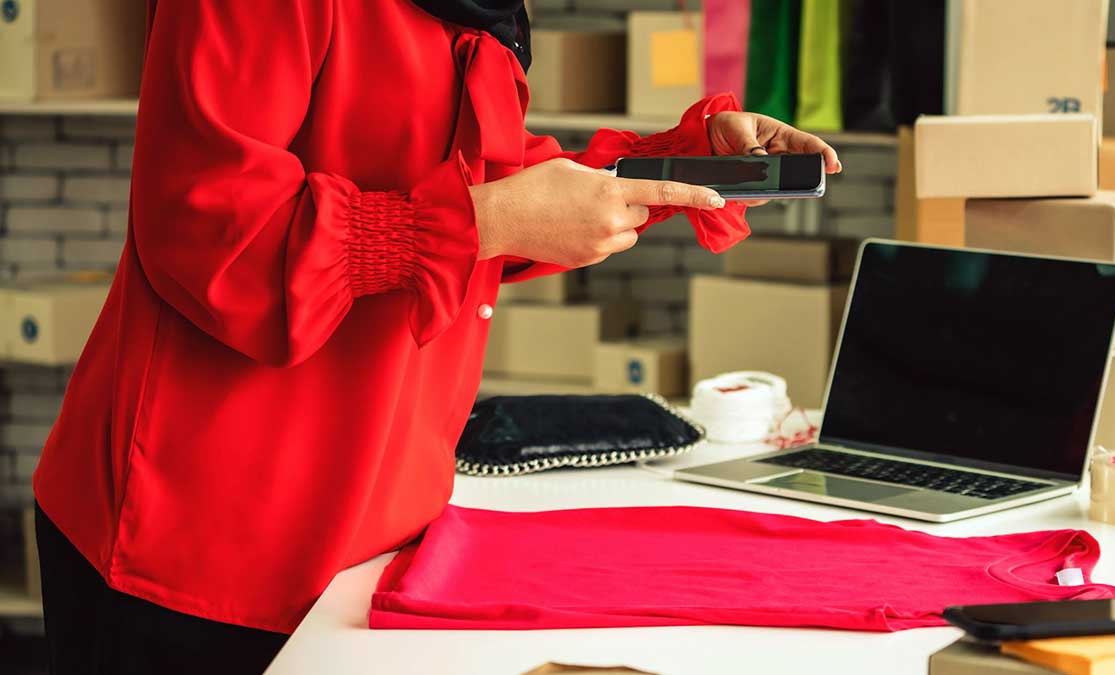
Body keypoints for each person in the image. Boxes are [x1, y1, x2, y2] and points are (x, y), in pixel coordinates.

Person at [30, 1, 841, 673]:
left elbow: (474, 191)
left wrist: (678, 166)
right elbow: (214, 234)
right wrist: (477, 222)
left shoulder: (472, 7)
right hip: (197, 546)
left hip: (376, 528)